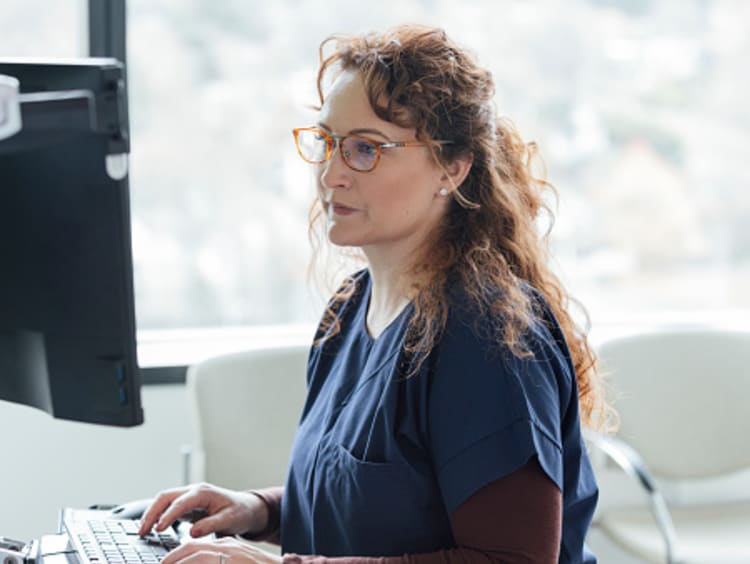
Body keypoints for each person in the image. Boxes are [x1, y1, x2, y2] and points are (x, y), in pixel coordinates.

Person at [141, 24, 609, 564]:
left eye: (366, 148)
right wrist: (259, 510)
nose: (330, 174)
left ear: (452, 169)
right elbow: (379, 507)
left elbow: (513, 561)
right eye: (327, 143)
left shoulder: (484, 334)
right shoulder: (350, 309)